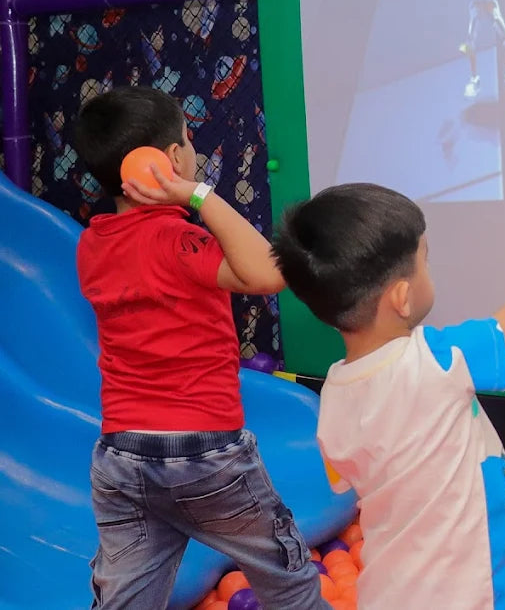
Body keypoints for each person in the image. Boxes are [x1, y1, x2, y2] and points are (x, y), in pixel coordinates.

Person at [271, 183, 505, 609]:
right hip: (472, 593)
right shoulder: (439, 360)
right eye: (424, 262)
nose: (429, 272)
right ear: (402, 297)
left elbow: (346, 483)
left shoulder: (333, 397)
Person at [72, 86, 324, 610]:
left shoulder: (91, 245)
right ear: (169, 160)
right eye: (188, 141)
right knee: (287, 577)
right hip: (205, 458)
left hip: (122, 457)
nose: (194, 150)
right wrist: (198, 195)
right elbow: (268, 272)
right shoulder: (177, 240)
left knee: (126, 598)